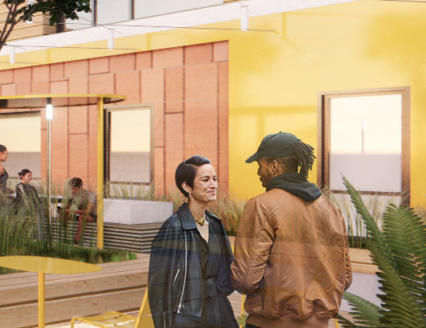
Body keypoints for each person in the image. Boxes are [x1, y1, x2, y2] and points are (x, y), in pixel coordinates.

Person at [231, 132, 350, 328]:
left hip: (270, 323)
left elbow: (246, 279)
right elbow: (344, 278)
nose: (258, 172)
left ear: (274, 166)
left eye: (260, 166)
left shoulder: (261, 206)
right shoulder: (331, 209)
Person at [149, 156, 238, 328]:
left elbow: (227, 274)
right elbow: (158, 289)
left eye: (215, 179)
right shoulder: (173, 227)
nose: (213, 185)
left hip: (217, 311)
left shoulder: (216, 224)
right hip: (186, 315)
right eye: (205, 180)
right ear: (187, 186)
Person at [60, 177, 97, 245]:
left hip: (91, 216)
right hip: (78, 214)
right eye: (71, 189)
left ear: (79, 187)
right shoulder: (72, 195)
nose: (72, 191)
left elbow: (88, 211)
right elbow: (67, 206)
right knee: (61, 215)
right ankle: (65, 237)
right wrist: (63, 210)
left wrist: (71, 211)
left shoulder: (90, 195)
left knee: (82, 217)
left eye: (74, 189)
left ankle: (76, 240)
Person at [14, 169, 44, 239]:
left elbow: (36, 198)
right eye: (28, 176)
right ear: (22, 176)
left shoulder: (32, 188)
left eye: (31, 176)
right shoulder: (19, 186)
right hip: (23, 209)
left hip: (32, 210)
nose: (30, 177)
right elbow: (24, 197)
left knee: (33, 226)